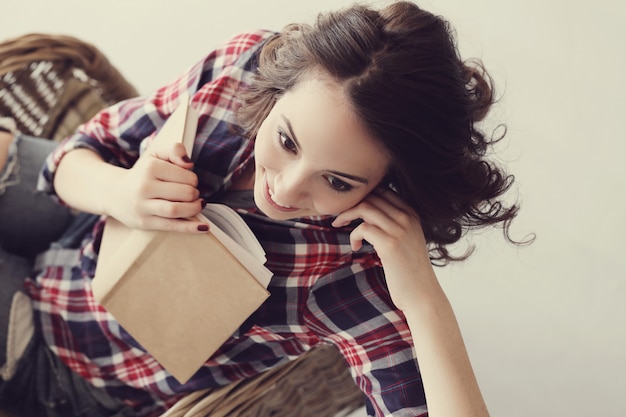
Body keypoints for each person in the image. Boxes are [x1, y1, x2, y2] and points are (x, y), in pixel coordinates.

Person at [0, 1, 524, 416]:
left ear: (389, 183)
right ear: (277, 89)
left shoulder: (352, 277)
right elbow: (79, 153)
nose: (288, 189)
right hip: (77, 228)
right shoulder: (244, 67)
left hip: (61, 360)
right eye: (288, 140)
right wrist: (124, 194)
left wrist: (426, 303)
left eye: (337, 181)